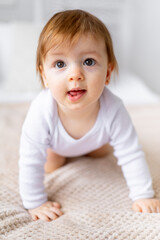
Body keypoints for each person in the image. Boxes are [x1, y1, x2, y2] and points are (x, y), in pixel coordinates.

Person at [19, 9, 160, 222]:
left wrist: (142, 195)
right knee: (51, 164)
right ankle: (62, 155)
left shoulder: (114, 109)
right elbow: (30, 160)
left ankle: (91, 148)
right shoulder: (41, 111)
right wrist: (36, 202)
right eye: (60, 64)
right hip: (56, 145)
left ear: (108, 73)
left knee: (102, 152)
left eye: (89, 62)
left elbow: (131, 153)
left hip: (96, 142)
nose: (75, 74)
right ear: (44, 76)